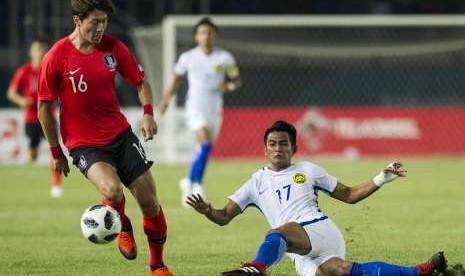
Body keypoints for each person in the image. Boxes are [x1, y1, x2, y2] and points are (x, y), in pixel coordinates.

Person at [186, 120, 447, 276]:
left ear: (294, 148)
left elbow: (350, 195)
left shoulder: (307, 170)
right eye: (273, 144)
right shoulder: (256, 182)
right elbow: (224, 217)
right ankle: (419, 271)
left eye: (284, 144)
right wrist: (208, 210)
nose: (278, 148)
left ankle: (257, 267)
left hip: (319, 231)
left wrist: (381, 178)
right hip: (300, 256)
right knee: (341, 270)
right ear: (265, 149)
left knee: (278, 232)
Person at [37, 1, 172, 275]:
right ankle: (121, 224)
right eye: (94, 22)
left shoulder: (113, 48)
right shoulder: (56, 56)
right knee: (111, 190)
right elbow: (44, 109)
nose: (100, 28)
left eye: (104, 22)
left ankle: (157, 265)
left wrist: (148, 113)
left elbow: (141, 82)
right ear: (77, 20)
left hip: (120, 135)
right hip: (83, 143)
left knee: (150, 202)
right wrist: (56, 151)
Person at [158, 17, 241, 206]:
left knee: (203, 149)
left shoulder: (225, 58)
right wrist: (165, 100)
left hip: (214, 110)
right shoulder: (188, 57)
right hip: (194, 107)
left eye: (210, 32)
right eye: (202, 32)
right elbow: (177, 80)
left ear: (215, 35)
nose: (206, 36)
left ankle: (188, 181)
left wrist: (227, 86)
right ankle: (196, 186)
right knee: (204, 143)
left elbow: (236, 81)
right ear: (196, 36)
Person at [7, 39, 63, 198]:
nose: (40, 52)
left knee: (54, 150)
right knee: (33, 154)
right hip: (31, 118)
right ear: (31, 52)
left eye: (43, 49)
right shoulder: (23, 71)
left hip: (48, 118)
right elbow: (11, 93)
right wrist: (22, 101)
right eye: (37, 49)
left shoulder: (51, 70)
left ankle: (56, 184)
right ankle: (36, 159)